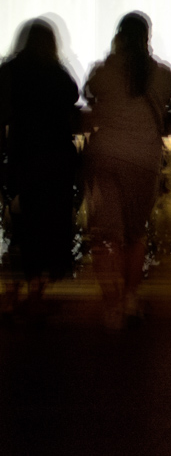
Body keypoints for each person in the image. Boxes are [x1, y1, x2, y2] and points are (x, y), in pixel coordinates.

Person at [84, 12, 171, 329]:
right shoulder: (163, 74)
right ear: (147, 37)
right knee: (136, 235)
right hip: (143, 160)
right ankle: (131, 299)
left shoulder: (105, 70)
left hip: (106, 157)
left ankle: (111, 308)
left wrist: (112, 57)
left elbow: (88, 92)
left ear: (119, 36)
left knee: (106, 236)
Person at [0, 19, 79, 321]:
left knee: (19, 228)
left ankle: (11, 294)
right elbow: (73, 95)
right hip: (55, 160)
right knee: (48, 228)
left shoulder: (10, 71)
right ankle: (37, 294)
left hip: (23, 160)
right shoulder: (56, 73)